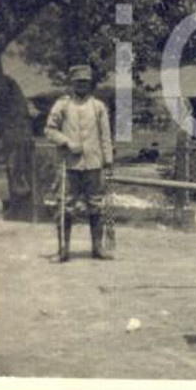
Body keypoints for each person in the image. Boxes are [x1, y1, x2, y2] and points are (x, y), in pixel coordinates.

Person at [45, 64, 114, 262]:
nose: (82, 85)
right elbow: (49, 130)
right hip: (69, 165)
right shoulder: (63, 105)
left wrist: (107, 159)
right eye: (78, 82)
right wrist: (66, 141)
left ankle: (98, 248)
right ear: (72, 83)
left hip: (93, 164)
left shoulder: (98, 106)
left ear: (91, 83)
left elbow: (105, 135)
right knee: (65, 207)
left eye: (85, 82)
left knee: (96, 205)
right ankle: (63, 250)